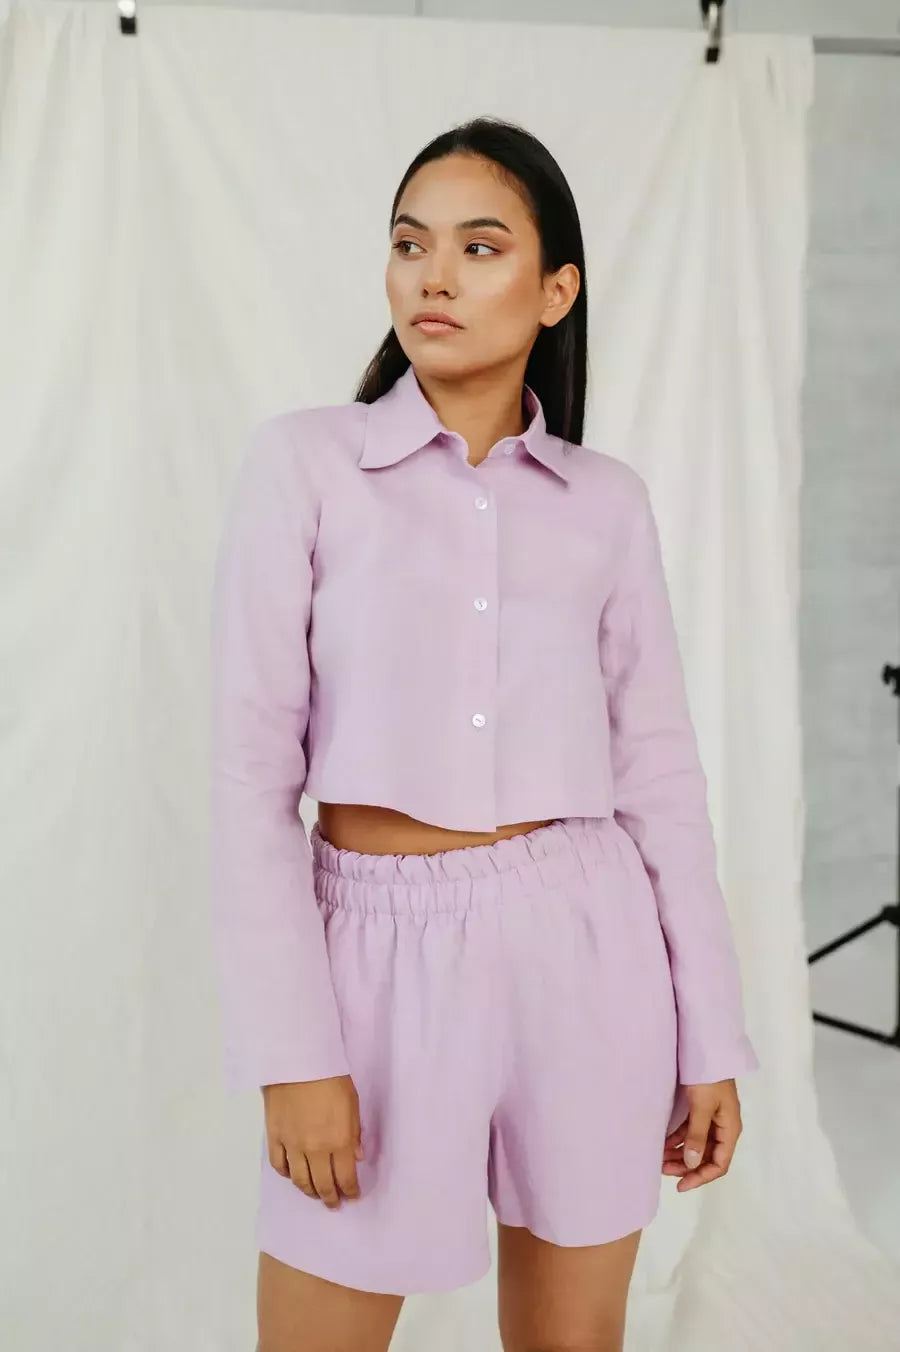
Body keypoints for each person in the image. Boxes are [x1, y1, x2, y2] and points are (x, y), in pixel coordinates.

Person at [209, 115, 761, 1352]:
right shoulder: (304, 466)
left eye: (479, 247)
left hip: (586, 943)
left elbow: (662, 780)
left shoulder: (606, 505)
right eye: (410, 245)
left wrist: (711, 1034)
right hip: (373, 958)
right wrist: (291, 1049)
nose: (434, 277)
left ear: (556, 289)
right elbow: (249, 779)